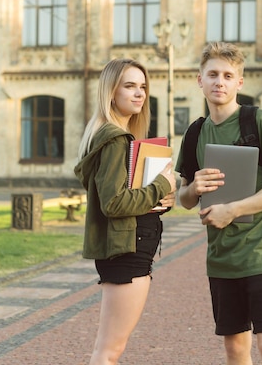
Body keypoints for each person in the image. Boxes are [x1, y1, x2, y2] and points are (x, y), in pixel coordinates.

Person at [176, 42, 262, 365]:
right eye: (212, 74)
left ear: (239, 83)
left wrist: (234, 210)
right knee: (235, 350)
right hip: (221, 258)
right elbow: (184, 198)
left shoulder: (260, 121)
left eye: (228, 75)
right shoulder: (194, 133)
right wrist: (194, 188)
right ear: (199, 80)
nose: (220, 82)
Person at [74, 58, 177, 365]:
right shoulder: (116, 140)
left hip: (126, 249)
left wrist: (158, 200)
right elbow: (114, 204)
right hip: (126, 252)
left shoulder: (113, 136)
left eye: (143, 87)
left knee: (107, 350)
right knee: (108, 353)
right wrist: (160, 184)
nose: (139, 94)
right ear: (111, 92)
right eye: (129, 86)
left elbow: (122, 198)